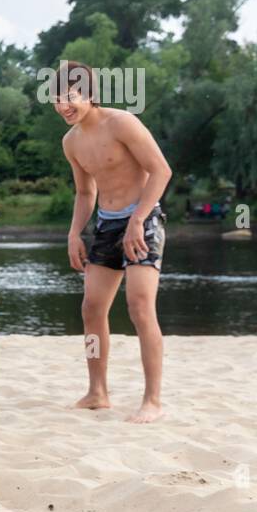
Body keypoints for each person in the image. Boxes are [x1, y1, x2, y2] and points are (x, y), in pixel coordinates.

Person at [57, 60, 172, 424]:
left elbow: (161, 170)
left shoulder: (122, 123)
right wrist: (75, 232)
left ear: (90, 94)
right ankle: (97, 392)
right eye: (56, 99)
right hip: (106, 225)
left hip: (144, 219)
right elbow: (84, 191)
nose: (63, 106)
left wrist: (138, 219)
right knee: (91, 308)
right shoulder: (71, 142)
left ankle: (152, 400)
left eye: (70, 97)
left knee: (139, 307)